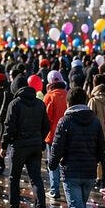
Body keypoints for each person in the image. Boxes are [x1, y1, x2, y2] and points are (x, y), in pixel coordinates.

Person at [48, 87, 105, 208]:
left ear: (69, 103)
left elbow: (57, 148)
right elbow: (101, 148)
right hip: (89, 173)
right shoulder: (95, 121)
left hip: (71, 172)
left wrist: (52, 164)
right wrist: (97, 164)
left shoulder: (65, 122)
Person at [2, 75, 50, 208]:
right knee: (36, 178)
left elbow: (8, 126)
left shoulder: (14, 104)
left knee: (14, 178)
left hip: (19, 146)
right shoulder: (39, 103)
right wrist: (41, 140)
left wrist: (4, 145)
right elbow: (46, 125)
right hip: (35, 145)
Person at [43, 69, 68, 200]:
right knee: (65, 162)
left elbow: (46, 118)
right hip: (67, 135)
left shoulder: (49, 96)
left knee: (53, 164)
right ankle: (67, 188)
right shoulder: (67, 94)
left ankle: (54, 190)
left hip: (52, 136)